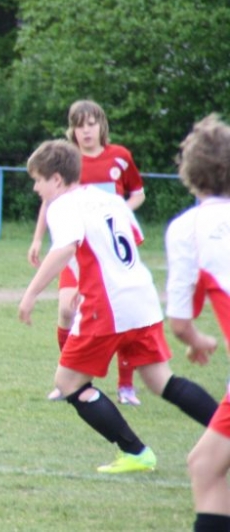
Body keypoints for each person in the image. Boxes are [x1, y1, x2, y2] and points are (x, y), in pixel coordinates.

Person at [19, 139, 217, 473]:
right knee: (160, 381)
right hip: (142, 298)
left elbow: (65, 249)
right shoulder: (109, 199)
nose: (36, 188)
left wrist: (31, 293)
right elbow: (125, 244)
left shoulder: (62, 206)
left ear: (56, 179)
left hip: (108, 306)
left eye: (38, 179)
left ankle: (135, 453)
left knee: (68, 383)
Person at [28, 100, 146, 405]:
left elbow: (138, 193)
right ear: (72, 129)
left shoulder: (119, 157)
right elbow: (49, 200)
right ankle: (71, 379)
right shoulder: (69, 160)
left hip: (108, 248)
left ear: (101, 125)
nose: (86, 130)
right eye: (79, 125)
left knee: (122, 316)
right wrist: (38, 238)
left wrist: (119, 211)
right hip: (76, 248)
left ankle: (126, 385)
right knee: (67, 309)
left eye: (91, 123)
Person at [163, 115, 230, 532]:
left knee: (206, 466)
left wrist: (196, 340)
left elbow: (180, 321)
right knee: (205, 463)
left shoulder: (189, 227)